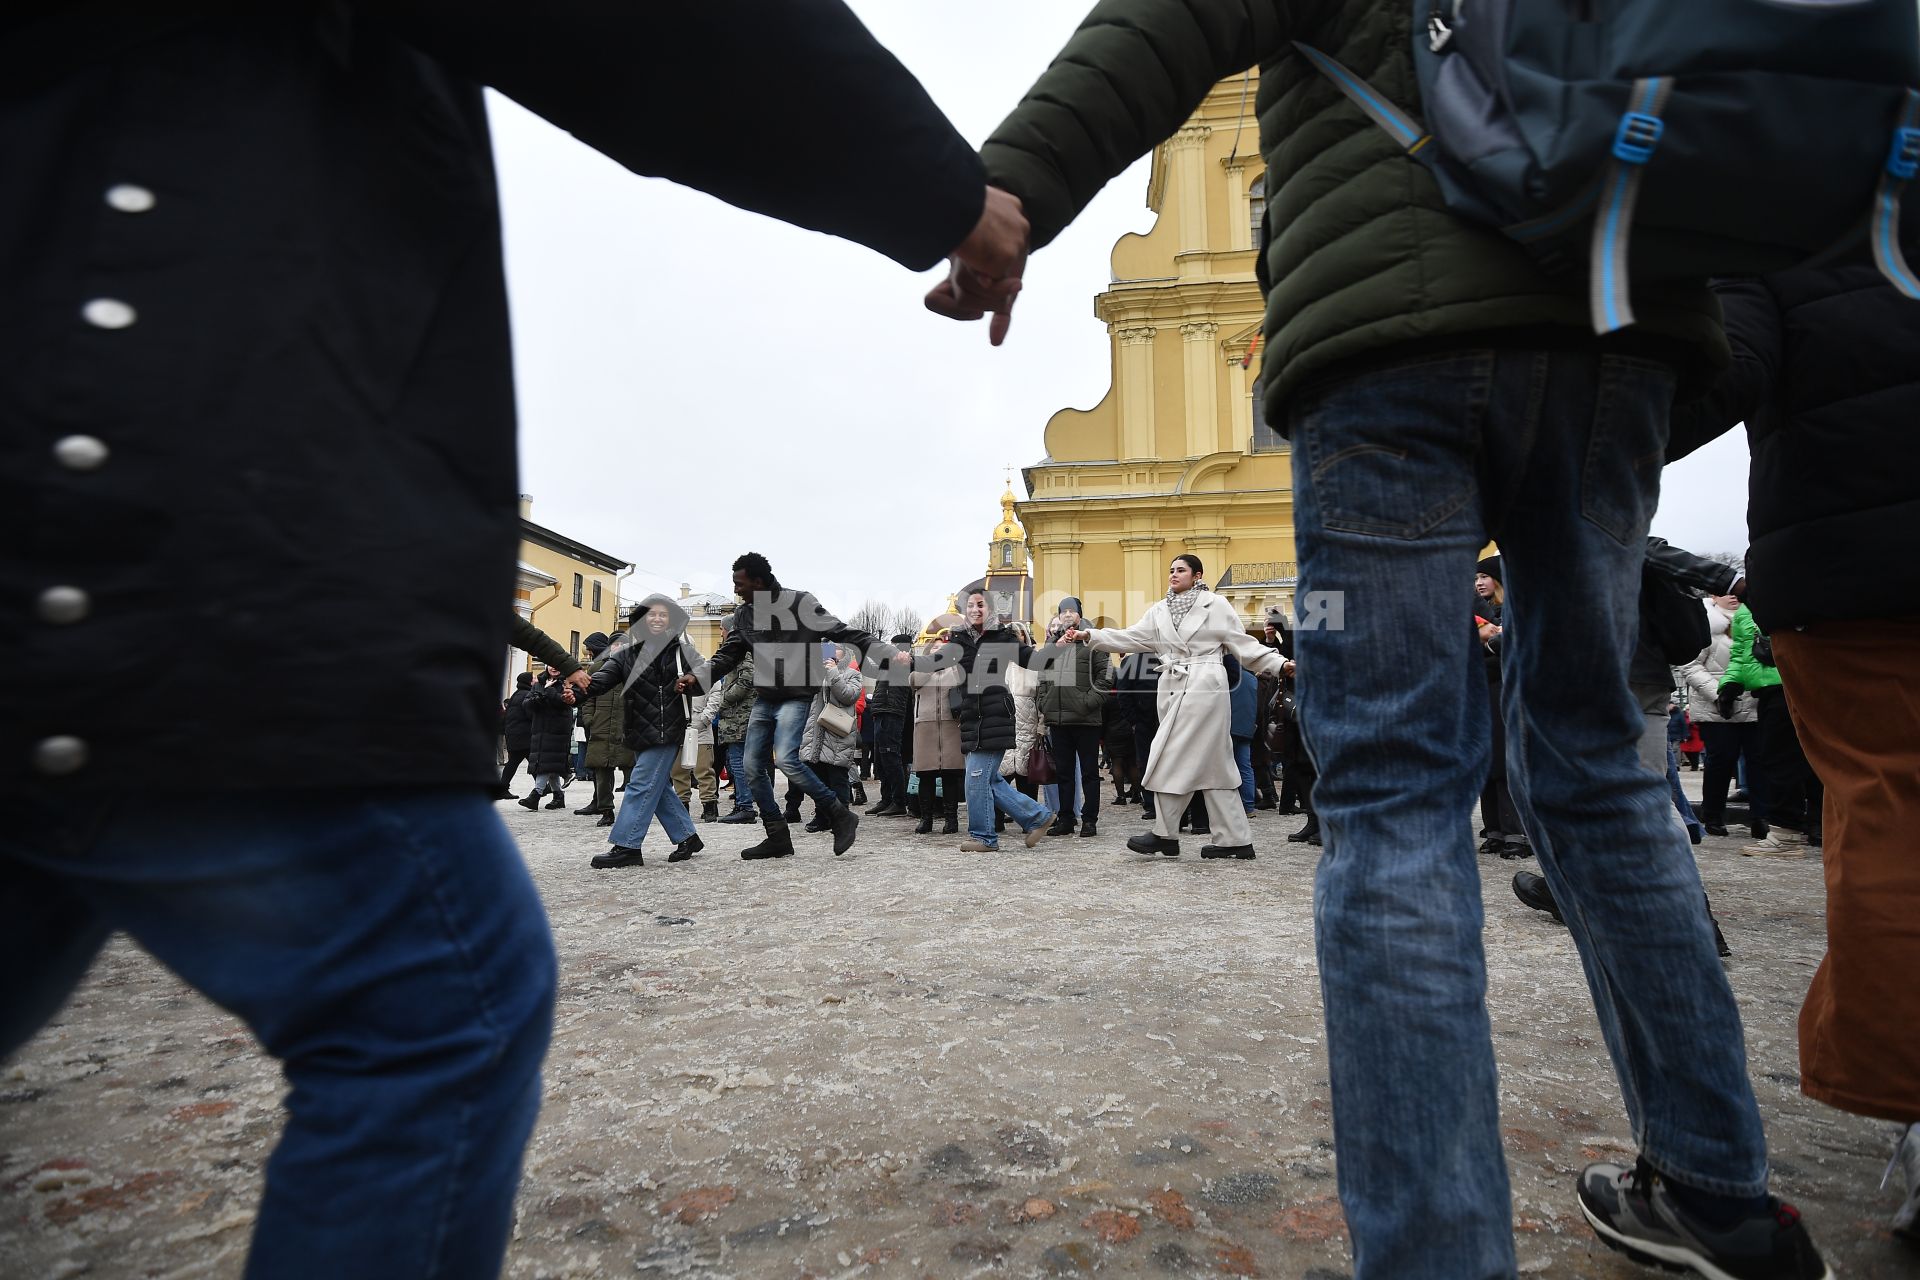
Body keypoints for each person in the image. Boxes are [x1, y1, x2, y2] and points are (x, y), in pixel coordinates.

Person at [1, 5, 1030, 1271]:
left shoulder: (761, 625)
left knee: (447, 976)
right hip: (178, 471)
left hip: (139, 474)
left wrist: (590, 660)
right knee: (438, 1003)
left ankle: (808, 817)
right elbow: (671, 41)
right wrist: (943, 195)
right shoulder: (693, 628)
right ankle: (748, 821)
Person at [944, 10, 1827, 1275]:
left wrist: (1009, 188)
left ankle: (1439, 1254)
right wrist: (1681, 346)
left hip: (1384, 344)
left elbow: (1169, 21)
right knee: (1603, 773)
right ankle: (1717, 1185)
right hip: (1611, 322)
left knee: (1399, 798)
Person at [1668, 252, 1920, 1242]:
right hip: (1849, 567)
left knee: (1895, 827)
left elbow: (1724, 372)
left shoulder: (1781, 219)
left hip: (1857, 568)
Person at [679, 554, 904, 860]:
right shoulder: (745, 616)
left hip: (796, 695)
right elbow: (728, 654)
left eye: (740, 584)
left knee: (786, 759)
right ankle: (777, 835)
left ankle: (839, 814)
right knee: (751, 767)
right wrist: (697, 678)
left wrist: (884, 650)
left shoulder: (801, 604)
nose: (737, 591)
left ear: (758, 582)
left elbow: (842, 631)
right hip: (766, 696)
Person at [1061, 556, 1284, 861]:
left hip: (1205, 685)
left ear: (1197, 575)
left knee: (1169, 755)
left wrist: (1280, 663)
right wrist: (1091, 635)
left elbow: (1242, 643)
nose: (1173, 574)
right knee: (1215, 766)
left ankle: (1165, 834)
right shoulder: (1159, 610)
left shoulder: (1215, 605)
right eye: (1171, 570)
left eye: (1181, 570)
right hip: (1174, 686)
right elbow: (1130, 636)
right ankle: (1235, 839)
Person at [566, 598, 705, 869]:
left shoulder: (683, 652)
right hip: (638, 731)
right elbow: (599, 681)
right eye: (651, 615)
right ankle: (687, 837)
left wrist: (691, 682)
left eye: (663, 615)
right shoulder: (625, 655)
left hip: (668, 730)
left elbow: (706, 677)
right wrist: (576, 694)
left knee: (640, 785)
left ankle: (628, 846)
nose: (657, 619)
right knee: (657, 786)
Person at [931, 591, 1054, 851]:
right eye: (971, 606)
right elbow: (934, 661)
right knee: (990, 780)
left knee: (976, 779)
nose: (975, 609)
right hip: (970, 720)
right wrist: (907, 660)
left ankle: (984, 837)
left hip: (994, 717)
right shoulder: (959, 641)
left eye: (981, 604)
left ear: (990, 609)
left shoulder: (1002, 638)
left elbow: (1035, 660)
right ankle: (1037, 817)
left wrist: (1059, 646)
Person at [1679, 594, 1769, 839]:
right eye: (1725, 592)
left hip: (1755, 703)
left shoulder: (1758, 621)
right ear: (1713, 597)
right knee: (1720, 762)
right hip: (1717, 708)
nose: (1733, 597)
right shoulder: (1706, 624)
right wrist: (1717, 694)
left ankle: (1761, 816)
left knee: (1759, 761)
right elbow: (1690, 665)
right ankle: (1713, 814)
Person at [1032, 597, 1111, 837]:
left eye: (1071, 611)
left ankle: (1089, 819)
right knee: (1064, 773)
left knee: (1089, 773)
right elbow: (1042, 679)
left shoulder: (1092, 643)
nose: (1067, 615)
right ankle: (1066, 817)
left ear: (1079, 615)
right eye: (1062, 612)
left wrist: (1088, 703)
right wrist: (1044, 703)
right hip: (1058, 720)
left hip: (1085, 719)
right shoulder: (1053, 647)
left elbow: (1105, 678)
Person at [1474, 558, 1530, 859]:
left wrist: (1487, 648)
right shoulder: (1485, 617)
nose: (1479, 582)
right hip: (1482, 693)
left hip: (1505, 694)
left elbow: (1510, 656)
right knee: (1487, 764)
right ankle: (1494, 828)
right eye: (1476, 578)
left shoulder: (1513, 613)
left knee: (1507, 764)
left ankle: (1517, 832)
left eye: (1485, 577)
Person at [909, 614, 967, 836]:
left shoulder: (955, 670)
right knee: (926, 775)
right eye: (934, 650)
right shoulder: (920, 671)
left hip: (950, 725)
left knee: (951, 775)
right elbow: (914, 682)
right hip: (925, 725)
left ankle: (951, 819)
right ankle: (926, 818)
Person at [798, 646, 865, 830]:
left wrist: (833, 672)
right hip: (816, 731)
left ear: (844, 653)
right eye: (828, 647)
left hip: (837, 733)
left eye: (836, 648)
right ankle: (822, 817)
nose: (831, 651)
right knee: (819, 780)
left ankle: (841, 819)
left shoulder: (853, 673)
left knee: (837, 778)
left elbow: (849, 696)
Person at [575, 632, 634, 826]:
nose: (618, 648)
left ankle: (633, 812)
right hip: (601, 725)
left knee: (633, 772)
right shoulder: (597, 667)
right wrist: (589, 719)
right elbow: (587, 696)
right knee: (602, 773)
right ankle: (606, 811)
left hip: (627, 728)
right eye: (615, 645)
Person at [711, 632, 759, 825]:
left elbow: (747, 678)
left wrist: (723, 699)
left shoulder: (744, 653)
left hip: (740, 718)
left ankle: (745, 806)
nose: (722, 635)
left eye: (724, 631)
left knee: (739, 763)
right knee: (738, 762)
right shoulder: (743, 652)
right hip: (736, 718)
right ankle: (742, 804)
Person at [866, 633, 915, 816]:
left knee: (891, 757)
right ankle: (886, 799)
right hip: (881, 710)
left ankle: (898, 801)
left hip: (892, 711)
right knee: (881, 759)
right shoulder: (886, 664)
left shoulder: (904, 663)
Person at [516, 668, 575, 812]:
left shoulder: (567, 683)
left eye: (557, 665)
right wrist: (539, 696)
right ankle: (558, 796)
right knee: (550, 764)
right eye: (550, 665)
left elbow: (563, 703)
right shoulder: (540, 683)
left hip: (557, 730)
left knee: (545, 762)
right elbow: (527, 704)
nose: (554, 668)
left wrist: (547, 691)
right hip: (540, 728)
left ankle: (535, 795)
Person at [497, 671, 538, 799]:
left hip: (516, 734)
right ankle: (543, 788)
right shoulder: (527, 695)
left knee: (516, 762)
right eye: (534, 678)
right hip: (524, 735)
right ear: (529, 682)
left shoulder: (517, 694)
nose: (536, 679)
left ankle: (502, 789)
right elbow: (530, 714)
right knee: (532, 762)